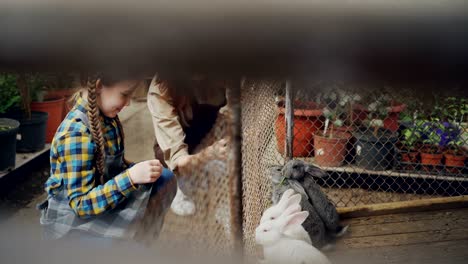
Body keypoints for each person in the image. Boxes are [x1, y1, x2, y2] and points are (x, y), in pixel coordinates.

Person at [38, 73, 177, 243]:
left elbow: (111, 170)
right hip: (72, 223)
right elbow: (81, 205)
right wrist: (131, 177)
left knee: (165, 178)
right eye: (124, 94)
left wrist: (139, 170)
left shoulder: (106, 118)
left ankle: (141, 244)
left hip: (103, 202)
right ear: (98, 86)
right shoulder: (75, 134)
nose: (128, 103)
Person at [147, 74, 228, 216]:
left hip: (201, 113)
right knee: (164, 153)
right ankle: (177, 189)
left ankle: (221, 193)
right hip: (181, 133)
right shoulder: (159, 91)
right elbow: (178, 159)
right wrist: (209, 153)